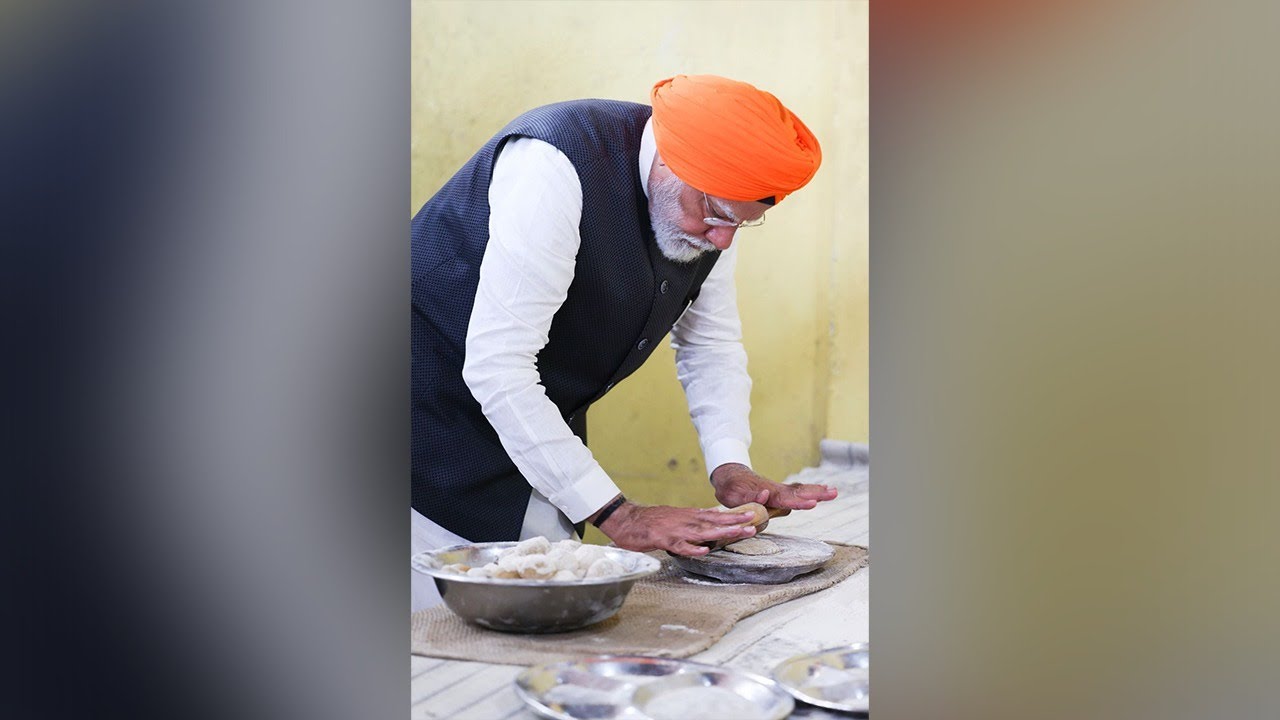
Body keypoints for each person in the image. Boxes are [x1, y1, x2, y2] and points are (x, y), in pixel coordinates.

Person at [411, 74, 838, 609]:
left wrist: (729, 463)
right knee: (436, 640)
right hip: (416, 421)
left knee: (542, 604)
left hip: (523, 431)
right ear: (670, 164)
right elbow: (499, 367)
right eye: (716, 216)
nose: (722, 240)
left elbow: (711, 346)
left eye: (742, 225)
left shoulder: (710, 211)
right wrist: (619, 514)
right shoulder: (555, 164)